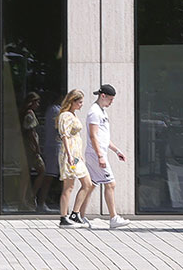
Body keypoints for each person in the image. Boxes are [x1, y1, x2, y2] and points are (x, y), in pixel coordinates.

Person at [80, 84, 129, 229]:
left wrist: (117, 151)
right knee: (110, 184)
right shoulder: (94, 112)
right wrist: (100, 156)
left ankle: (79, 216)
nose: (111, 102)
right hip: (96, 154)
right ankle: (113, 218)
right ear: (103, 96)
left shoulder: (101, 111)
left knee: (91, 185)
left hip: (98, 152)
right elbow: (93, 136)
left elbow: (103, 138)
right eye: (110, 99)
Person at [54, 89, 96, 229]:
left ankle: (75, 213)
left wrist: (79, 156)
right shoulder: (65, 115)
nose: (81, 104)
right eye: (79, 102)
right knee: (69, 186)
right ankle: (63, 217)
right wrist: (70, 155)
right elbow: (64, 135)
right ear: (72, 101)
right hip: (69, 155)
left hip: (76, 156)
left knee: (87, 184)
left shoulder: (73, 114)